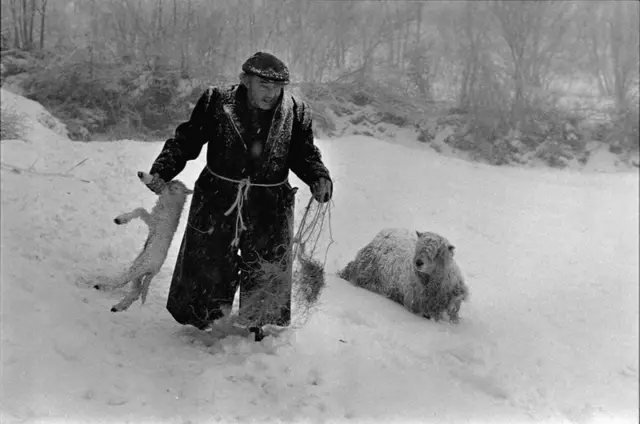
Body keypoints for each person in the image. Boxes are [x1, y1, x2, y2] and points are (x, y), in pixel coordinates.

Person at [143, 52, 333, 341]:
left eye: (276, 88)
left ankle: (261, 323)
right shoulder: (217, 102)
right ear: (245, 80)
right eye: (263, 86)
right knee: (209, 260)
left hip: (270, 204)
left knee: (267, 263)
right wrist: (163, 168)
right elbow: (187, 139)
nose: (270, 94)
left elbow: (304, 154)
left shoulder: (296, 112)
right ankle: (201, 323)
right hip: (219, 196)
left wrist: (319, 176)